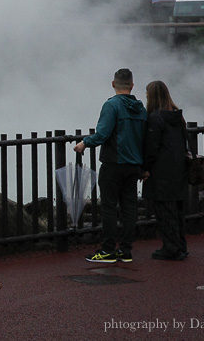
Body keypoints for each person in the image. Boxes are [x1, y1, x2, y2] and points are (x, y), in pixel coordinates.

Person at [74, 68, 148, 263]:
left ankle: (107, 250)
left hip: (114, 163)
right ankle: (125, 250)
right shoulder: (141, 108)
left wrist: (84, 143)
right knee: (129, 207)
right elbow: (145, 138)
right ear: (132, 86)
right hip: (134, 165)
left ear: (113, 84)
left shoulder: (112, 105)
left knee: (108, 207)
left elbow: (103, 133)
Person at [141, 80, 189, 261]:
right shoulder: (177, 117)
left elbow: (151, 148)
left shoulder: (155, 118)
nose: (145, 96)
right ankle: (180, 246)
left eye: (147, 93)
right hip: (178, 168)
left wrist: (145, 168)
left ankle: (171, 248)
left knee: (163, 210)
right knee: (177, 211)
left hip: (161, 171)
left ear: (152, 95)